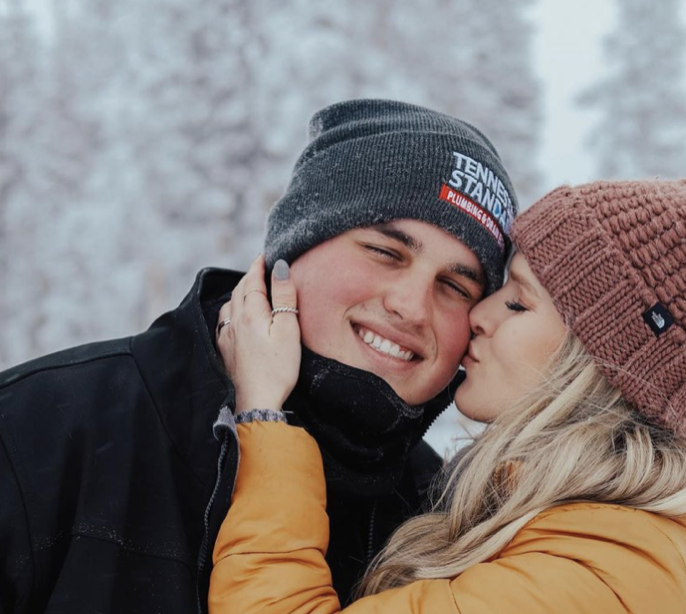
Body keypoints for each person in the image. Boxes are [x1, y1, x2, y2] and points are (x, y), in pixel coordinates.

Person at [208, 150, 686, 613]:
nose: (479, 315)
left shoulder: (607, 571)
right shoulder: (596, 528)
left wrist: (262, 411)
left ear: (599, 363)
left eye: (518, 302)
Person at [0, 100, 518, 613]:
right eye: (385, 252)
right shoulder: (44, 429)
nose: (412, 306)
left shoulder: (449, 526)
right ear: (295, 246)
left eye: (456, 287)